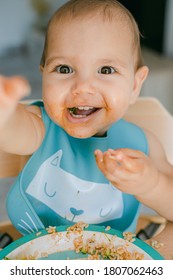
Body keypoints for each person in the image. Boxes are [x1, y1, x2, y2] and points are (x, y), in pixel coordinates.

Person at [0, 0, 173, 236]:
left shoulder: (143, 145)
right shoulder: (40, 125)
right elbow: (14, 131)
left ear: (134, 85)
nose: (82, 87)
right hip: (40, 254)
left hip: (114, 259)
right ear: (44, 77)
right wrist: (5, 112)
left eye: (105, 70)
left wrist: (152, 184)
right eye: (63, 69)